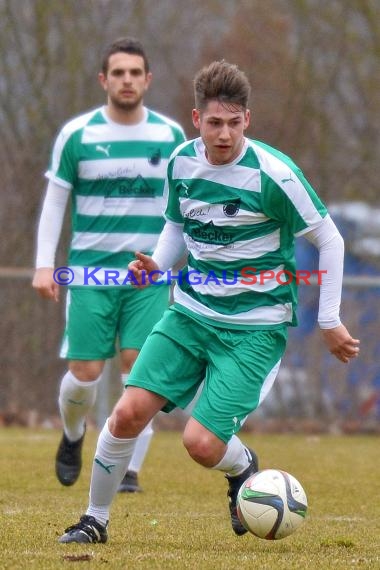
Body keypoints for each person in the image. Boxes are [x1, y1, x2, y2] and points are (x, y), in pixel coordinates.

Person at [58, 60, 360, 544]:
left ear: (248, 120)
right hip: (190, 312)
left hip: (255, 329)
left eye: (234, 123)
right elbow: (177, 224)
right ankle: (95, 520)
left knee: (199, 444)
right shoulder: (181, 161)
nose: (224, 134)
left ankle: (243, 469)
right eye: (215, 123)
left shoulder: (274, 174)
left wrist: (329, 320)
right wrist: (157, 264)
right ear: (197, 120)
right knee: (127, 413)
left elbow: (332, 240)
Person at [32, 37, 186, 493]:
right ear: (104, 79)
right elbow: (55, 200)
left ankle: (128, 470)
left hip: (148, 273)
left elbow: (184, 205)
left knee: (141, 366)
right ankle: (74, 433)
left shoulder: (170, 136)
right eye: (118, 73)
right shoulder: (78, 135)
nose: (127, 80)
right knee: (85, 373)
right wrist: (45, 264)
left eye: (135, 73)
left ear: (148, 79)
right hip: (90, 273)